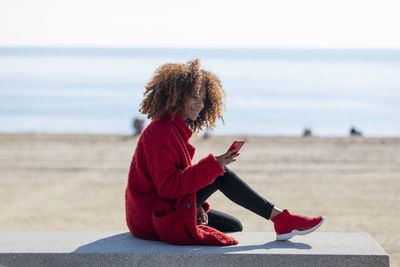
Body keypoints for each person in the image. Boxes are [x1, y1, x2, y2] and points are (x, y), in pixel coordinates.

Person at [125, 59, 324, 246]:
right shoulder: (161, 132)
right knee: (220, 175)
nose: (200, 104)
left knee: (233, 226)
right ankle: (281, 219)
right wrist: (214, 166)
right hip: (151, 217)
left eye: (203, 99)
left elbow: (177, 183)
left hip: (160, 207)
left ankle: (281, 220)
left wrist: (198, 204)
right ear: (177, 96)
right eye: (194, 97)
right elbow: (168, 187)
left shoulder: (173, 129)